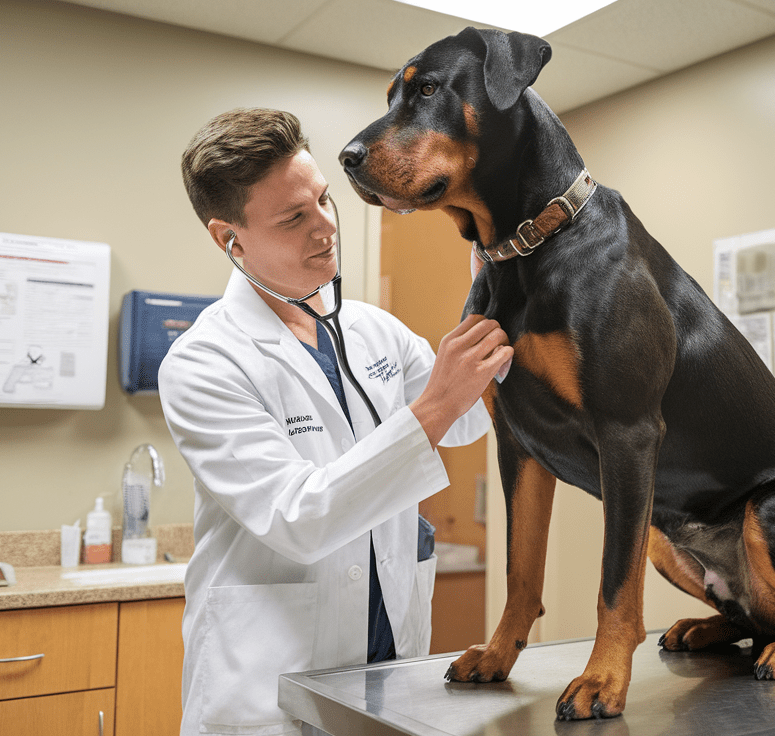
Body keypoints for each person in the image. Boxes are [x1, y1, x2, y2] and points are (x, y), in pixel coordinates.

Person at [160, 108, 512, 736]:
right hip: (268, 690)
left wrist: (497, 312)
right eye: (294, 217)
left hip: (386, 675)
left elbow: (463, 427)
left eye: (324, 200)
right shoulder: (203, 363)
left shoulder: (373, 330)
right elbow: (299, 517)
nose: (326, 227)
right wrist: (435, 405)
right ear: (229, 238)